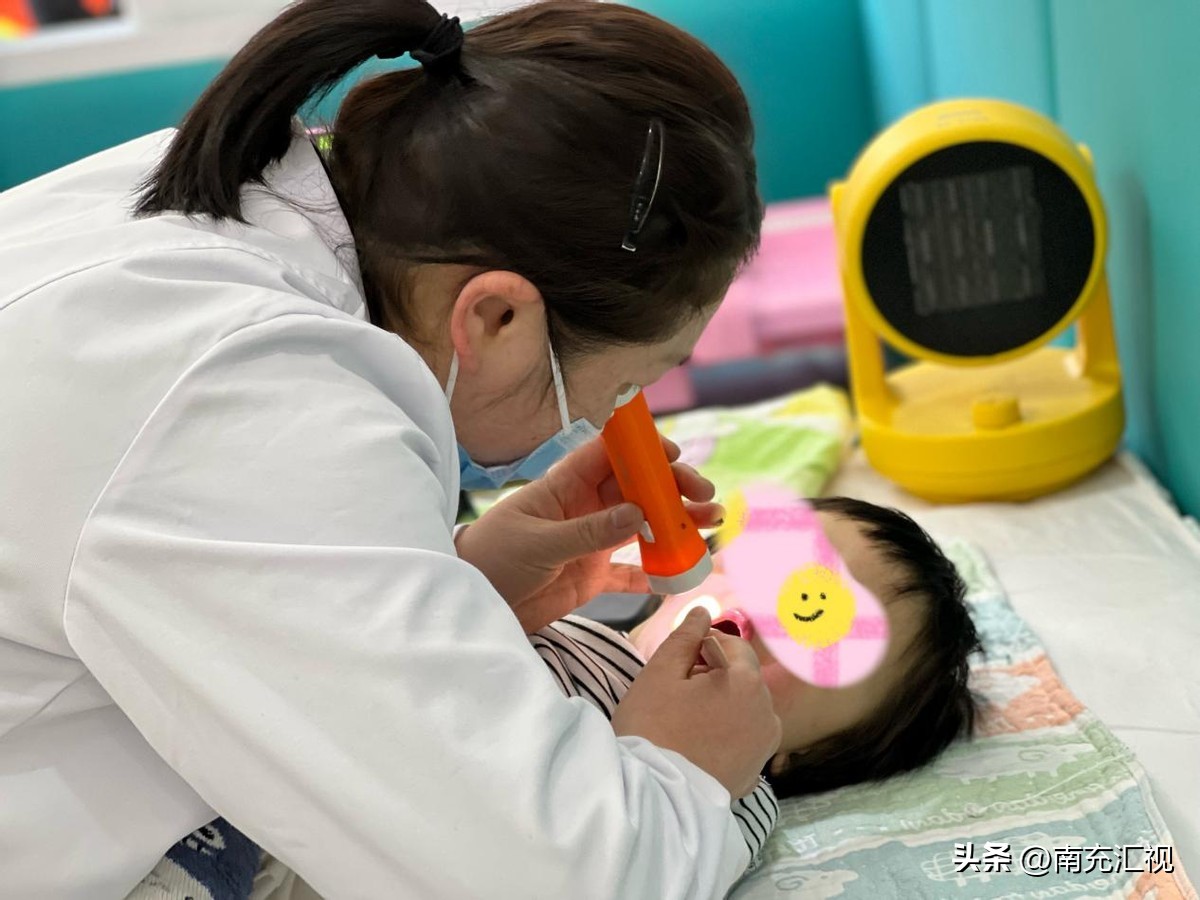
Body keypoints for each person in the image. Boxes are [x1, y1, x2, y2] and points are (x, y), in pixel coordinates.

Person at [0, 2, 784, 898]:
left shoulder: (221, 189)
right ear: (495, 316)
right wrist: (685, 775)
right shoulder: (250, 399)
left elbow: (204, 593)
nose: (612, 418)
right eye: (619, 387)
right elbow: (552, 876)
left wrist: (457, 583)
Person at [131, 496, 980, 899]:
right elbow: (402, 653)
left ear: (797, 753)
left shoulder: (735, 796)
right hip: (292, 750)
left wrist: (682, 773)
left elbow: (641, 873)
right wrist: (476, 578)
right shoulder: (583, 622)